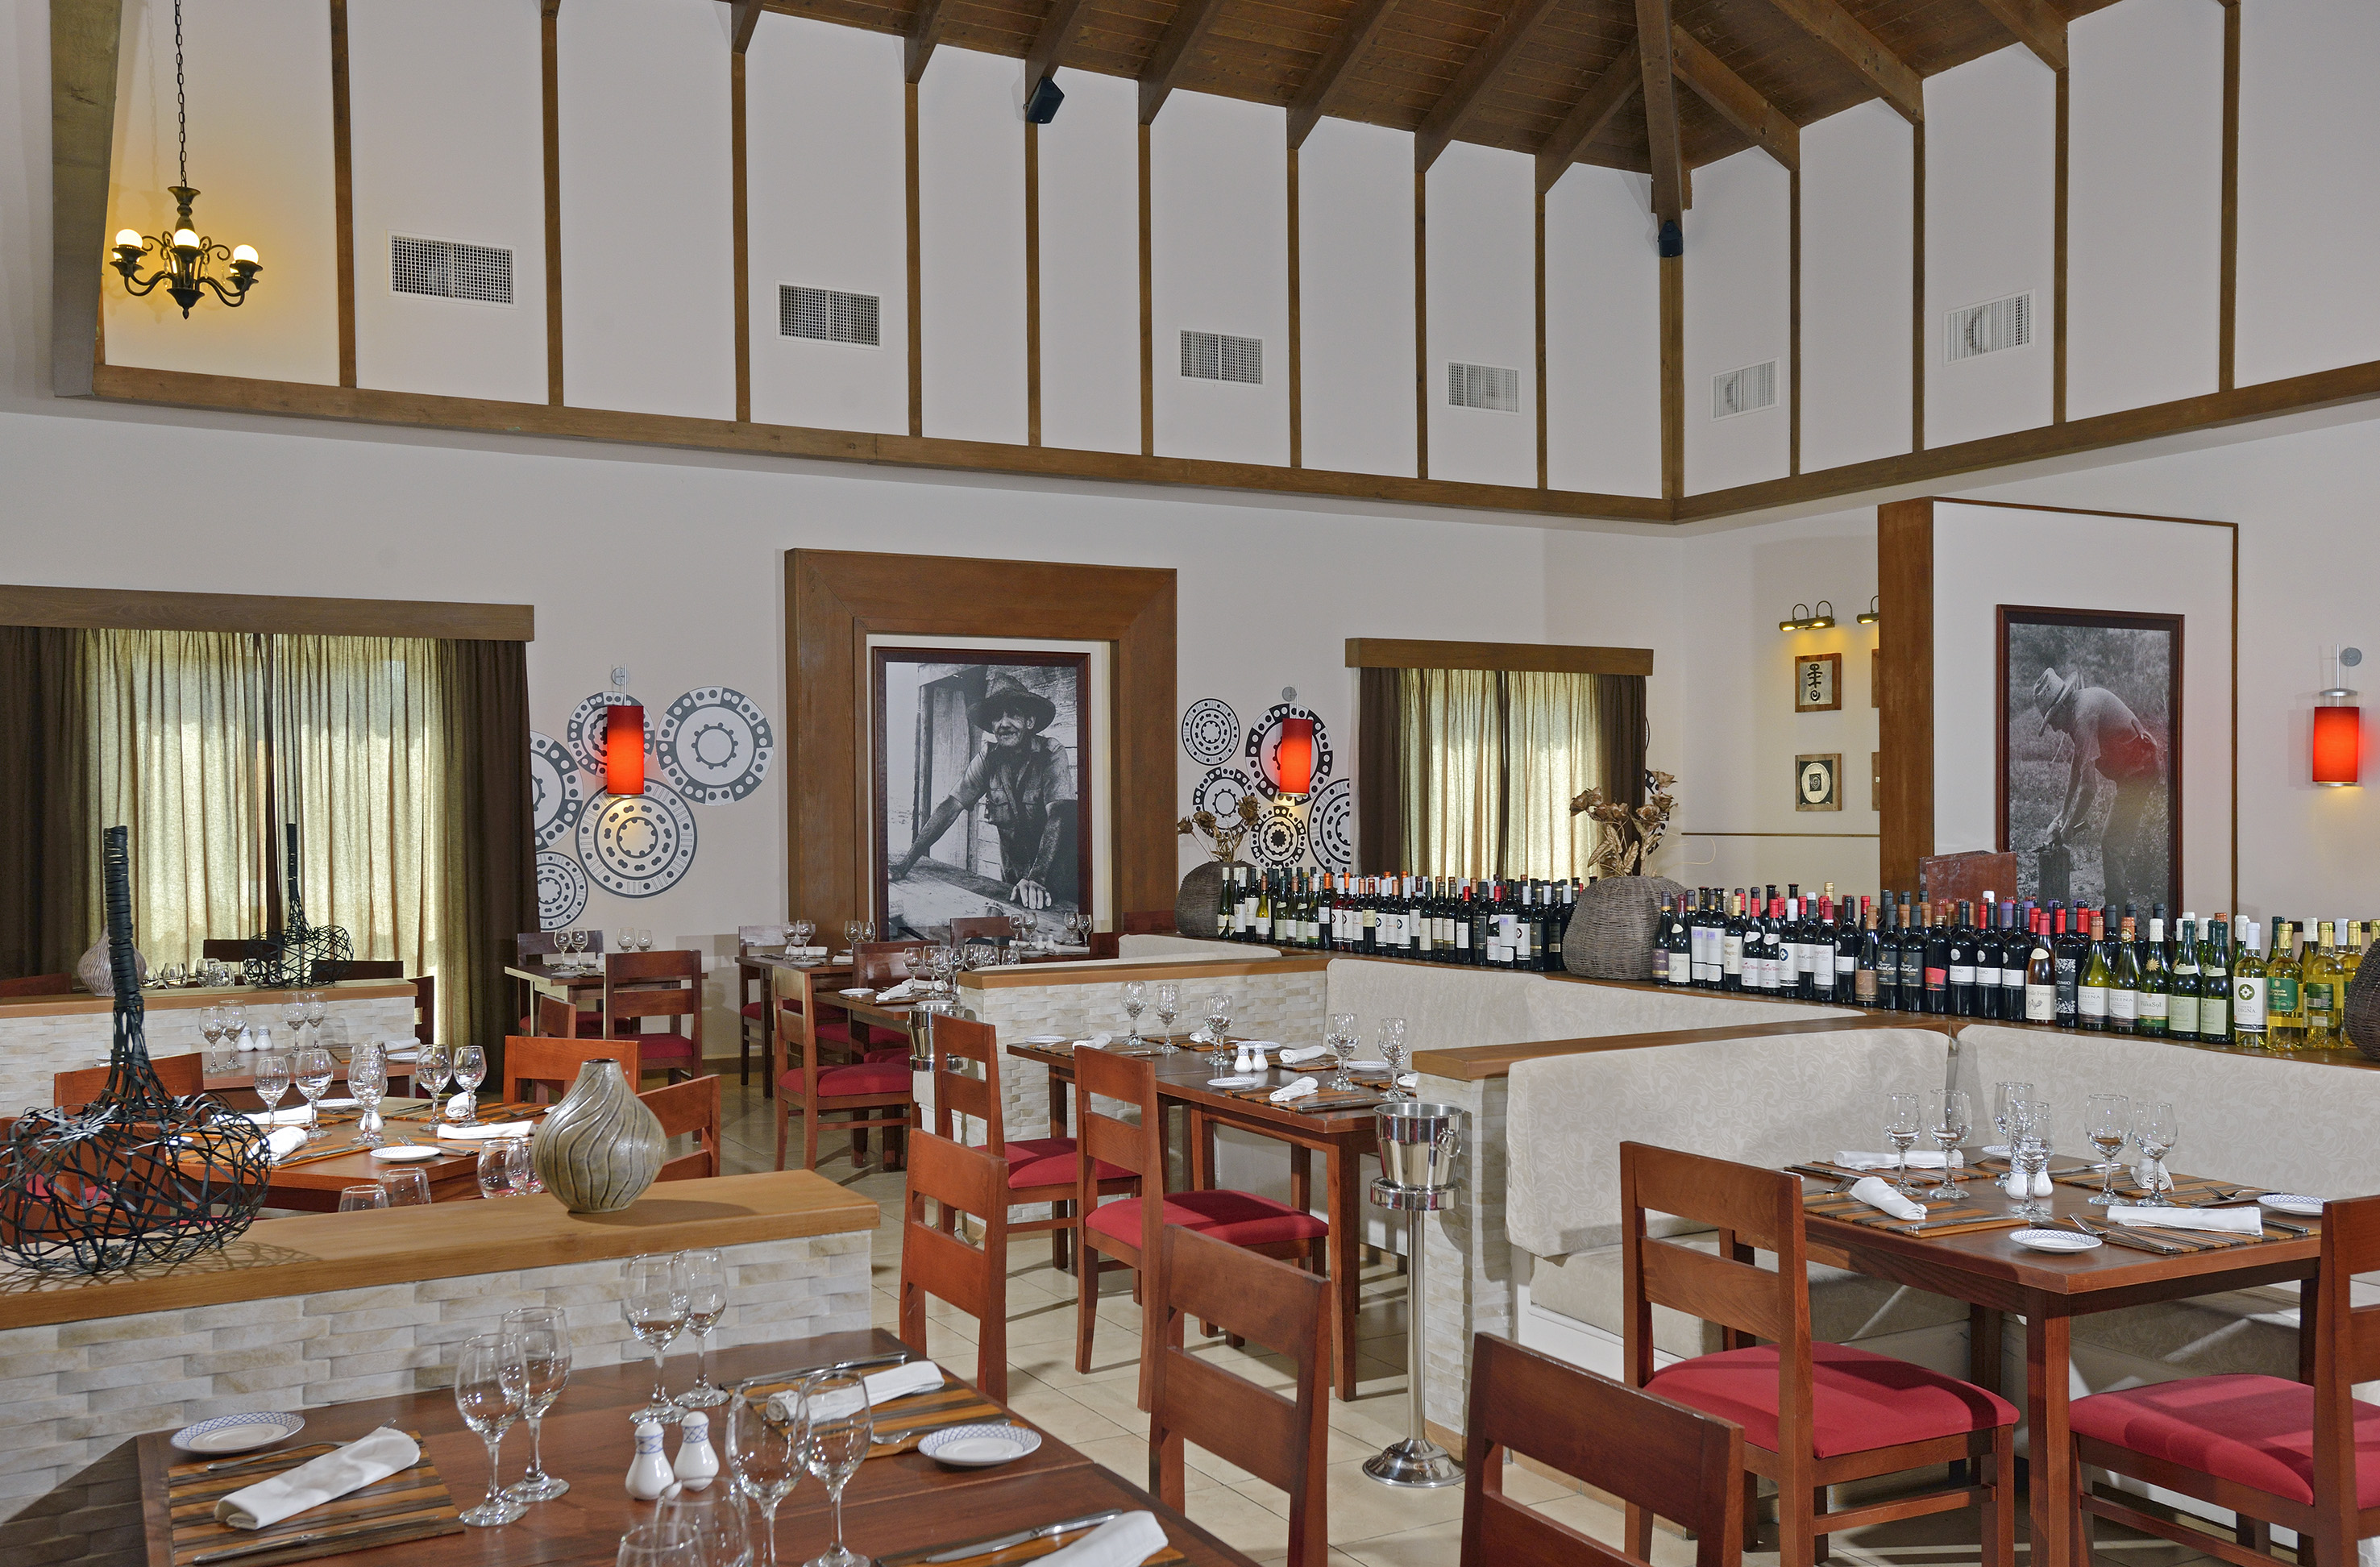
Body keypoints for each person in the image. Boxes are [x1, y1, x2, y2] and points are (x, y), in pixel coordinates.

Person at [888, 675, 1078, 911]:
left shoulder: (1051, 752)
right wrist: (905, 864)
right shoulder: (989, 758)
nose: (1004, 723)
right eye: (997, 716)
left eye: (1013, 714)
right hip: (1015, 878)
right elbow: (950, 807)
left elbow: (1058, 814)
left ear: (1030, 721)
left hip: (1057, 875)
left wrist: (1037, 878)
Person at [2033, 666, 2162, 908]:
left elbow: (2089, 788)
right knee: (2115, 840)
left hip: (2140, 773)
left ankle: (2116, 912)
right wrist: (2062, 815)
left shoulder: (2082, 716)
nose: (2054, 727)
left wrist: (2069, 827)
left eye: (2052, 720)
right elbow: (2077, 765)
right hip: (2132, 772)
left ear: (2061, 707)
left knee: (2111, 842)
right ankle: (2117, 903)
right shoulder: (2079, 708)